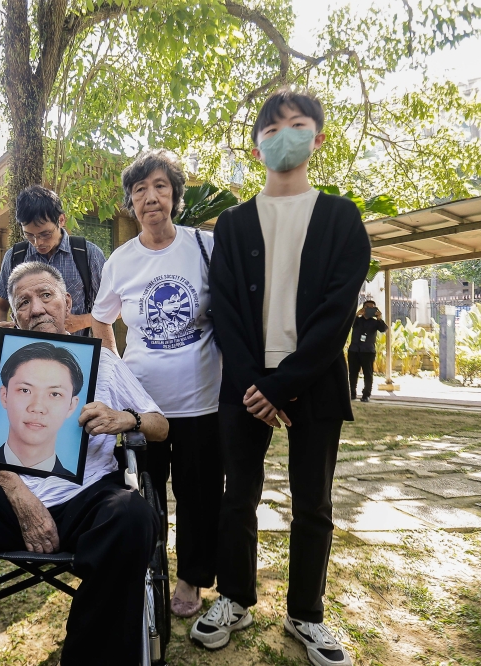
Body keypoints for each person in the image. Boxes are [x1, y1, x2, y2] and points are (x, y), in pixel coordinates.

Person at [0, 262, 168, 666]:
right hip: (11, 501)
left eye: (46, 295)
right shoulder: (4, 369)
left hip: (86, 504)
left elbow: (161, 426)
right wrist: (17, 494)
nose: (37, 308)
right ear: (14, 317)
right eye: (23, 302)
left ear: (67, 303)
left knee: (133, 514)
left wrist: (125, 418)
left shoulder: (107, 363)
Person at [195, 89, 370, 666]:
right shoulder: (235, 223)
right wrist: (254, 381)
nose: (285, 135)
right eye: (272, 130)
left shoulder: (342, 218)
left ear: (317, 138)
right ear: (256, 148)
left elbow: (337, 312)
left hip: (314, 380)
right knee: (236, 495)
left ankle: (306, 613)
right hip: (245, 382)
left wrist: (282, 384)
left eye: (297, 125)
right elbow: (222, 306)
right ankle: (235, 598)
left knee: (313, 501)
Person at [91, 149, 223, 619]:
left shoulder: (204, 246)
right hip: (143, 408)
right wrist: (115, 370)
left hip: (203, 402)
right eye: (140, 190)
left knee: (199, 496)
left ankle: (190, 578)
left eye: (160, 187)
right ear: (131, 202)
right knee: (146, 491)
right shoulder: (120, 261)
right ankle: (151, 570)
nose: (151, 197)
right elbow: (102, 320)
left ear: (176, 196)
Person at [0, 184, 106, 337]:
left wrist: (82, 321)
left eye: (45, 234)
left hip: (75, 351)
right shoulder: (15, 256)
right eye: (30, 235)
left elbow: (117, 308)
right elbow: (0, 307)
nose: (38, 243)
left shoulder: (88, 254)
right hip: (28, 353)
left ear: (61, 220)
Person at [0, 342, 82, 475]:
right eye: (25, 390)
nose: (37, 407)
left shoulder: (78, 490)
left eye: (55, 394)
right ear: (4, 396)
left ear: (72, 406)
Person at [348, 300, 388, 402]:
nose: (369, 309)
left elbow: (383, 329)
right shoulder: (357, 320)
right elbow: (347, 324)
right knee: (353, 373)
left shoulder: (375, 322)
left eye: (372, 308)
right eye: (367, 307)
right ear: (363, 308)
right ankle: (352, 393)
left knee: (368, 373)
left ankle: (366, 394)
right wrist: (357, 314)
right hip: (354, 350)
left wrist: (379, 318)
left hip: (368, 351)